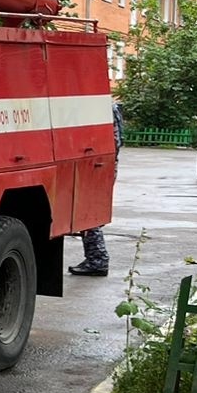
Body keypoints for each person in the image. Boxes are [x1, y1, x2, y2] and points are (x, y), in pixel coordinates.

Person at [70, 100, 124, 277]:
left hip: (99, 164)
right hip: (103, 164)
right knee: (89, 212)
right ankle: (96, 259)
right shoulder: (108, 106)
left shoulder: (101, 107)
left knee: (88, 213)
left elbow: (112, 140)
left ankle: (98, 260)